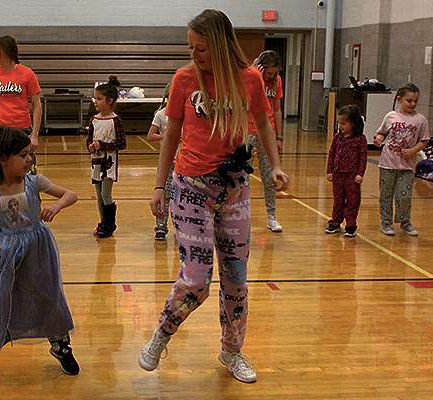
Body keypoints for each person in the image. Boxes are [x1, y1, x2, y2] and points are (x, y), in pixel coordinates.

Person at [138, 9, 290, 384]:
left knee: (236, 278)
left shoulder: (250, 79)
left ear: (221, 45)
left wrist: (275, 165)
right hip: (191, 187)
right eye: (191, 47)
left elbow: (265, 123)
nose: (195, 55)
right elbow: (170, 134)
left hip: (235, 189)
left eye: (201, 48)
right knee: (196, 279)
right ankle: (162, 333)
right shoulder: (185, 79)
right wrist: (159, 185)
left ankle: (232, 351)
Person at [0, 126, 79, 380]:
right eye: (23, 155)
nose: (29, 160)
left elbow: (71, 194)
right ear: (4, 158)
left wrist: (56, 206)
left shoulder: (35, 182)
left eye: (30, 154)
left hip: (38, 249)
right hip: (6, 255)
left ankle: (59, 343)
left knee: (48, 295)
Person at [373, 83, 430, 236]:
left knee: (403, 195)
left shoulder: (421, 120)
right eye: (408, 100)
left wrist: (412, 151)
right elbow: (382, 133)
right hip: (388, 163)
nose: (412, 104)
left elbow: (424, 141)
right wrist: (379, 139)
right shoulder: (390, 116)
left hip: (407, 166)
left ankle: (405, 221)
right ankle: (386, 222)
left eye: (415, 101)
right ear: (399, 99)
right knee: (386, 194)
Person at [0, 35, 42, 172]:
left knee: (27, 174)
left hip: (21, 130)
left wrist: (35, 135)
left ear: (5, 50)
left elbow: (37, 106)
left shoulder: (27, 74)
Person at [248, 50, 284, 232]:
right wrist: (257, 78)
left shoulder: (277, 81)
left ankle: (271, 215)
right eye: (268, 73)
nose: (272, 76)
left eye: (275, 73)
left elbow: (277, 109)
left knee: (269, 174)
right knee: (242, 176)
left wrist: (279, 136)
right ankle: (241, 214)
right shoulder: (250, 76)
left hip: (267, 132)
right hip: (247, 130)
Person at [87, 76, 126, 238]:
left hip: (108, 164)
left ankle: (109, 224)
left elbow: (121, 144)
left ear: (109, 101)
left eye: (99, 98)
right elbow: (89, 138)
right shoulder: (94, 119)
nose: (95, 101)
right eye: (95, 98)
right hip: (95, 163)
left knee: (106, 194)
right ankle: (103, 222)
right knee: (99, 195)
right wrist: (90, 146)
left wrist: (103, 145)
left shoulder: (115, 121)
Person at [325, 105, 367, 237]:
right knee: (338, 199)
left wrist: (360, 173)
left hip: (352, 175)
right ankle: (335, 222)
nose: (341, 126)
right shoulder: (337, 137)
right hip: (338, 174)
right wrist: (329, 170)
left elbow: (363, 158)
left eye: (344, 123)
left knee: (352, 200)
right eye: (339, 123)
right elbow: (332, 154)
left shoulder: (360, 139)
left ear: (353, 123)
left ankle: (350, 224)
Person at [146, 85, 174, 241]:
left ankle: (180, 224)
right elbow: (150, 136)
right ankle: (161, 226)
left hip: (183, 160)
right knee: (164, 193)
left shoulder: (185, 114)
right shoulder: (161, 115)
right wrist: (166, 136)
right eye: (170, 97)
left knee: (180, 195)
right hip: (167, 161)